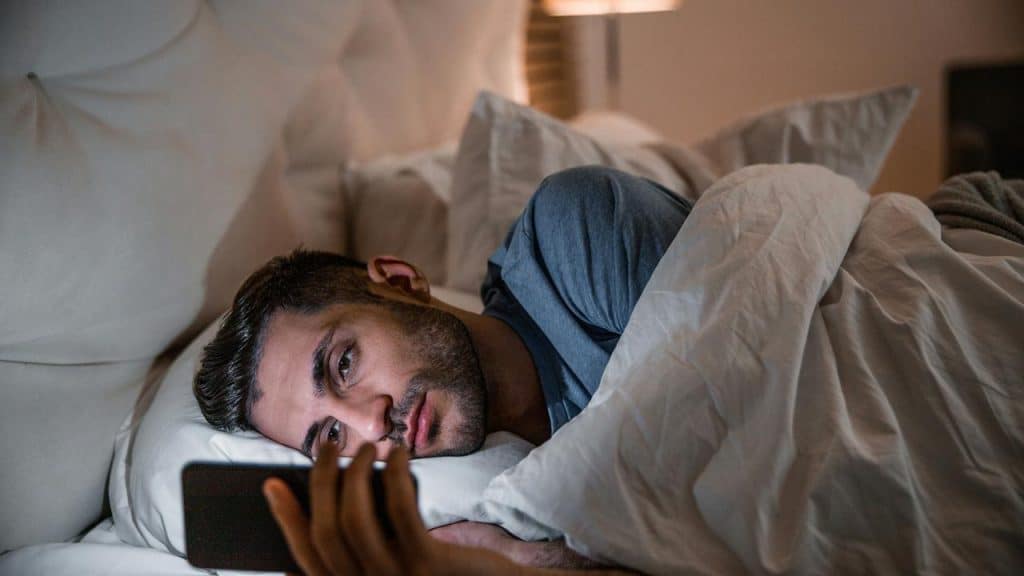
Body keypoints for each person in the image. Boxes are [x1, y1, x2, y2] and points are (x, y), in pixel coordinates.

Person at [194, 166, 693, 571]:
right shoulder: (500, 513)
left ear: (399, 281)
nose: (370, 425)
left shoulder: (573, 236)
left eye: (343, 364)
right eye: (329, 436)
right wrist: (519, 562)